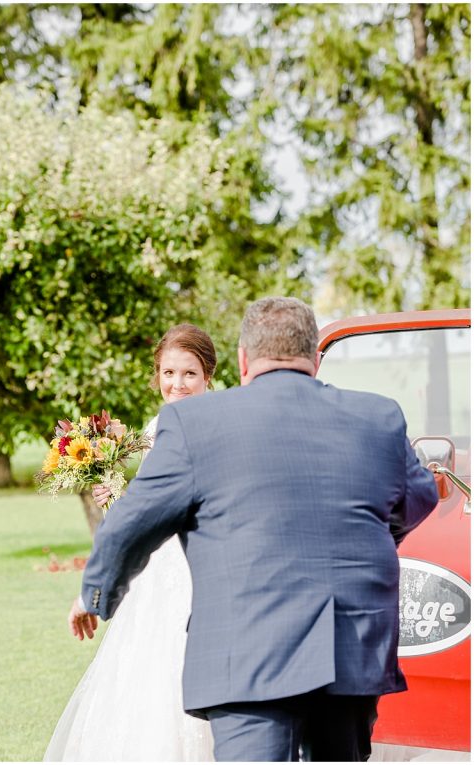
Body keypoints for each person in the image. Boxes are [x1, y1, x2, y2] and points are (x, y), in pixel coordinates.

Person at [67, 297, 440, 762]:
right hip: (349, 646)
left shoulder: (193, 423)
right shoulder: (379, 417)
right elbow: (419, 499)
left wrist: (95, 593)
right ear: (316, 359)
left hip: (244, 650)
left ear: (244, 360)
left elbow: (134, 520)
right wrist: (372, 534)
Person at [44, 323, 218, 761]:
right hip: (160, 566)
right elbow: (159, 500)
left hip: (195, 565)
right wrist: (120, 500)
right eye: (169, 373)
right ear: (157, 374)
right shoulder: (158, 424)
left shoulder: (193, 423)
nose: (177, 384)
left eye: (189, 374)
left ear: (209, 375)